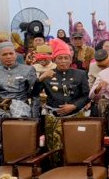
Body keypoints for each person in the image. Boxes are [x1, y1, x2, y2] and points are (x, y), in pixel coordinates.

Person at [33, 39, 90, 167]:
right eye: (60, 58)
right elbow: (34, 93)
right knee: (54, 147)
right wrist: (40, 79)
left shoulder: (80, 74)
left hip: (75, 117)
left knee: (77, 144)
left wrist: (73, 106)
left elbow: (86, 96)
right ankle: (55, 171)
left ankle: (77, 171)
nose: (63, 61)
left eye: (66, 58)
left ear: (71, 60)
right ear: (54, 60)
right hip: (53, 118)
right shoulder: (48, 74)